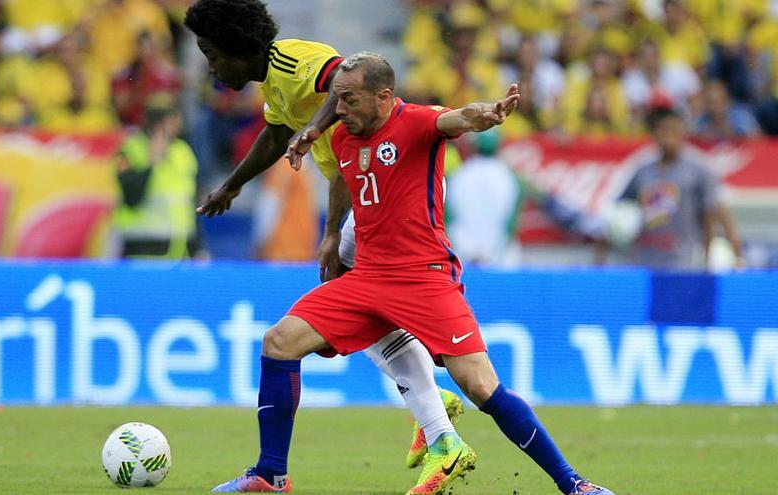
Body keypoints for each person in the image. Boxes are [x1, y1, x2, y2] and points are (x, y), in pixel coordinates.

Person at [212, 52, 615, 495]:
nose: (339, 110)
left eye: (349, 99)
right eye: (337, 100)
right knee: (279, 342)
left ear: (384, 97)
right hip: (366, 279)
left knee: (480, 385)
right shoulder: (345, 137)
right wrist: (330, 234)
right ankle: (271, 475)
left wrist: (486, 113)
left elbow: (458, 119)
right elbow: (343, 180)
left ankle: (575, 484)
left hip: (424, 277)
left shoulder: (417, 122)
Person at [183, 2, 470, 493]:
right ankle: (429, 402)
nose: (211, 67)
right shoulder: (276, 86)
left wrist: (332, 227)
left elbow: (342, 78)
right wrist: (233, 184)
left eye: (213, 54)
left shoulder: (294, 61)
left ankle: (435, 421)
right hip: (361, 198)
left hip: (378, 199)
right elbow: (276, 135)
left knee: (345, 305)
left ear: (238, 46)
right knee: (362, 307)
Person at [610, 107, 745, 269]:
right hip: (645, 260)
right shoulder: (642, 169)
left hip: (684, 260)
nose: (668, 137)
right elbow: (621, 209)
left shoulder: (700, 168)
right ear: (654, 134)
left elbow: (715, 212)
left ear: (683, 133)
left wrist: (721, 256)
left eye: (673, 131)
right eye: (663, 131)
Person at [113, 102, 201, 259]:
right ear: (159, 124)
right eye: (173, 121)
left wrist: (198, 248)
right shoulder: (131, 149)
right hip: (142, 246)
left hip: (179, 248)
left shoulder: (183, 151)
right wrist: (151, 163)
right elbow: (131, 197)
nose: (178, 126)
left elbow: (189, 202)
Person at [446, 128, 523, 267]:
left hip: (462, 255)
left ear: (472, 146)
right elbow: (511, 222)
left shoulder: (458, 175)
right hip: (500, 256)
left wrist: (465, 250)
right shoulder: (509, 177)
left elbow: (448, 218)